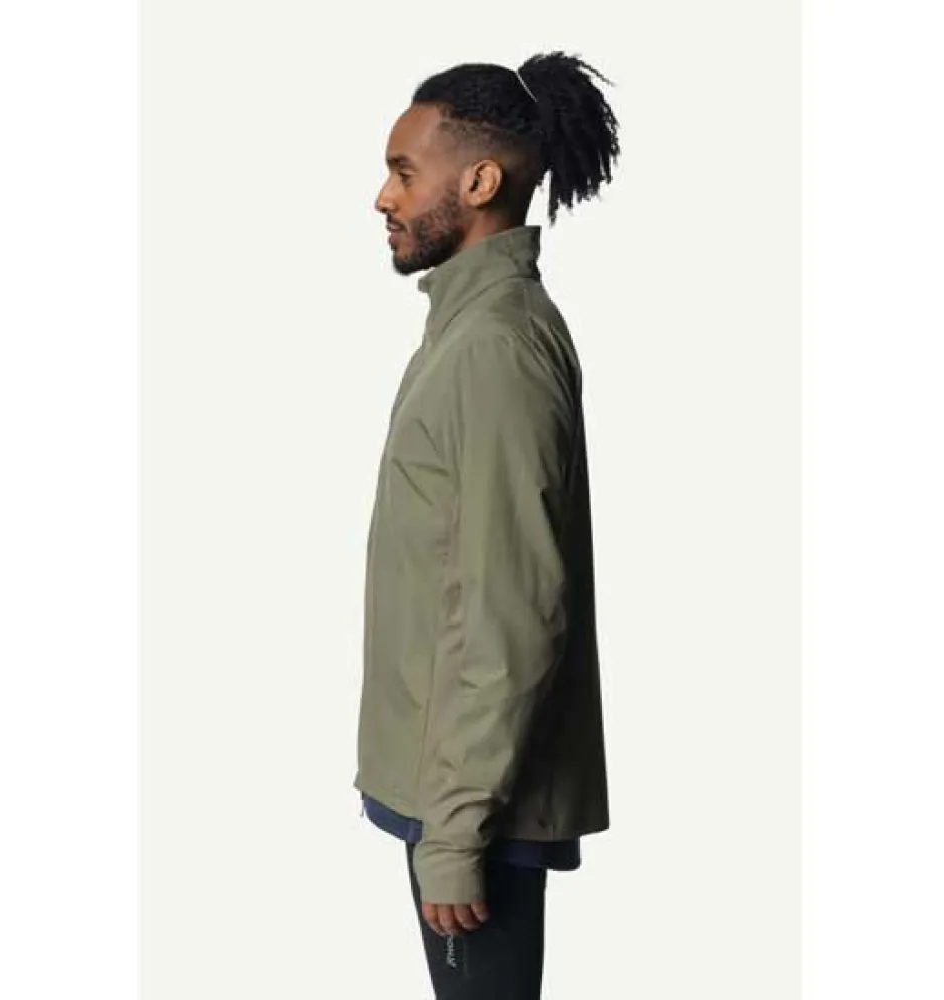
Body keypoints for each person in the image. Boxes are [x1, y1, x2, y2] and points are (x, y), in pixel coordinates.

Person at [353, 50, 621, 999]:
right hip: (452, 788)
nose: (384, 198)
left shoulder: (496, 346)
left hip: (473, 808)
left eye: (404, 172)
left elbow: (514, 613)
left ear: (478, 183)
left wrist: (457, 835)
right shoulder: (468, 330)